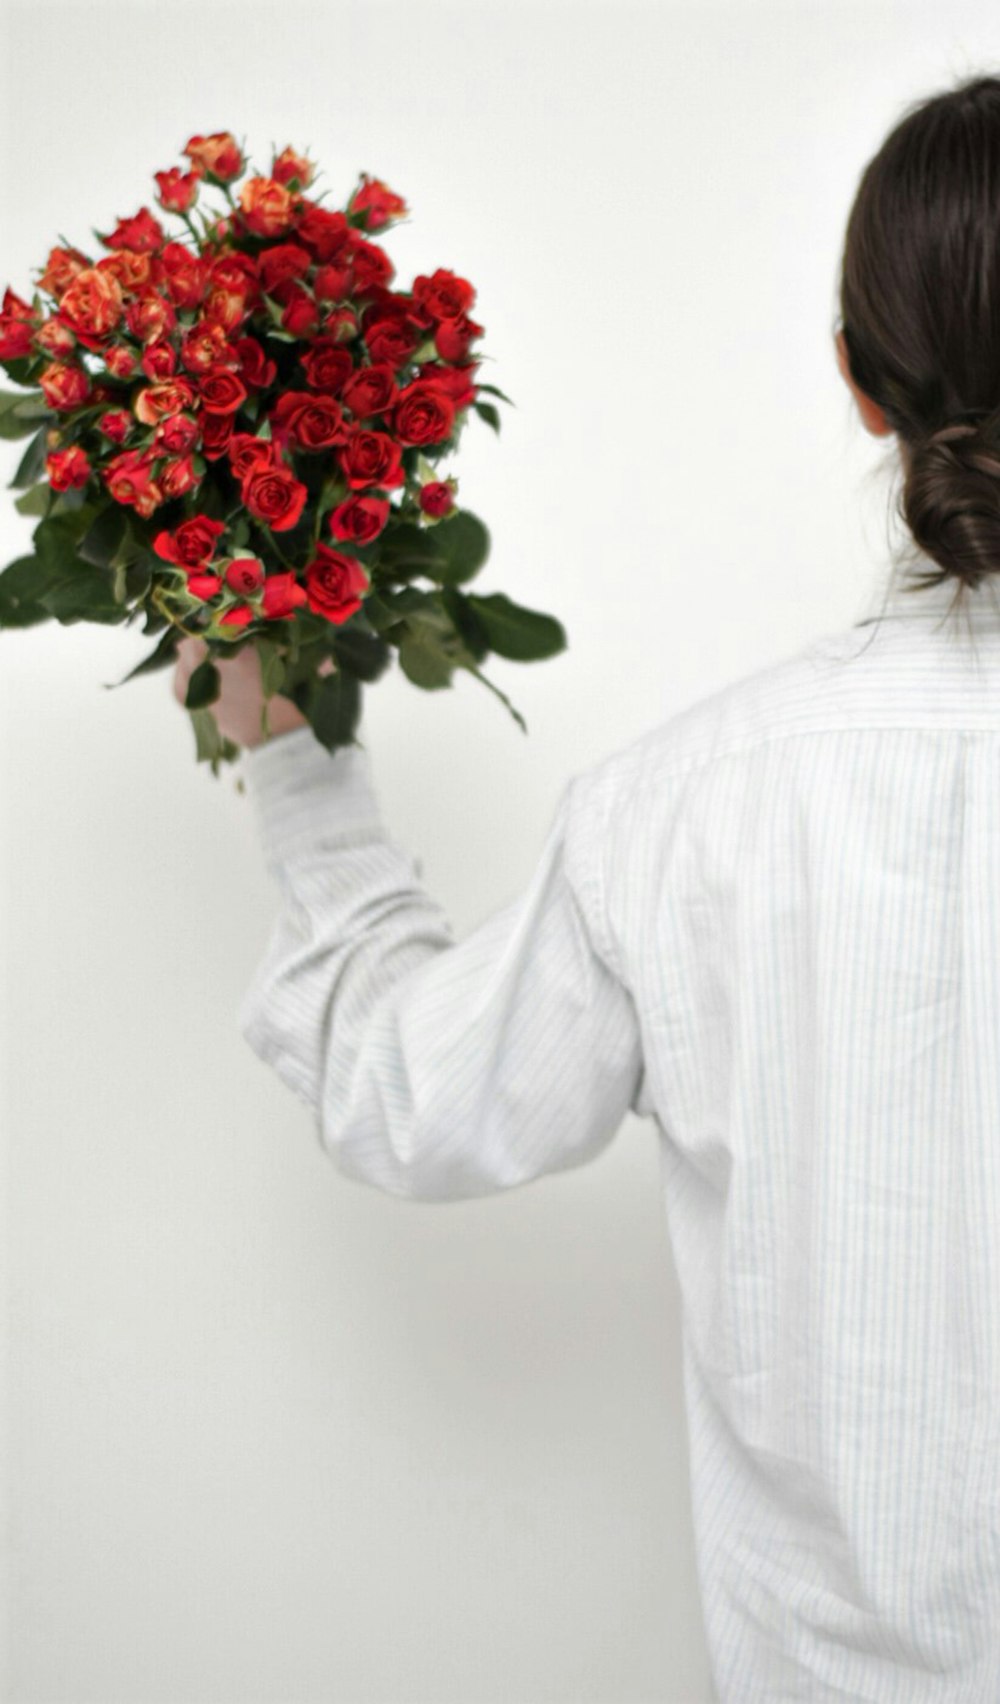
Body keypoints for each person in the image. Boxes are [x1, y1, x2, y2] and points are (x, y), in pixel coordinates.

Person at [173, 71, 1000, 1702]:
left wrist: (288, 754)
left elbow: (408, 1093)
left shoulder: (683, 810)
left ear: (857, 379)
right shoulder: (682, 808)